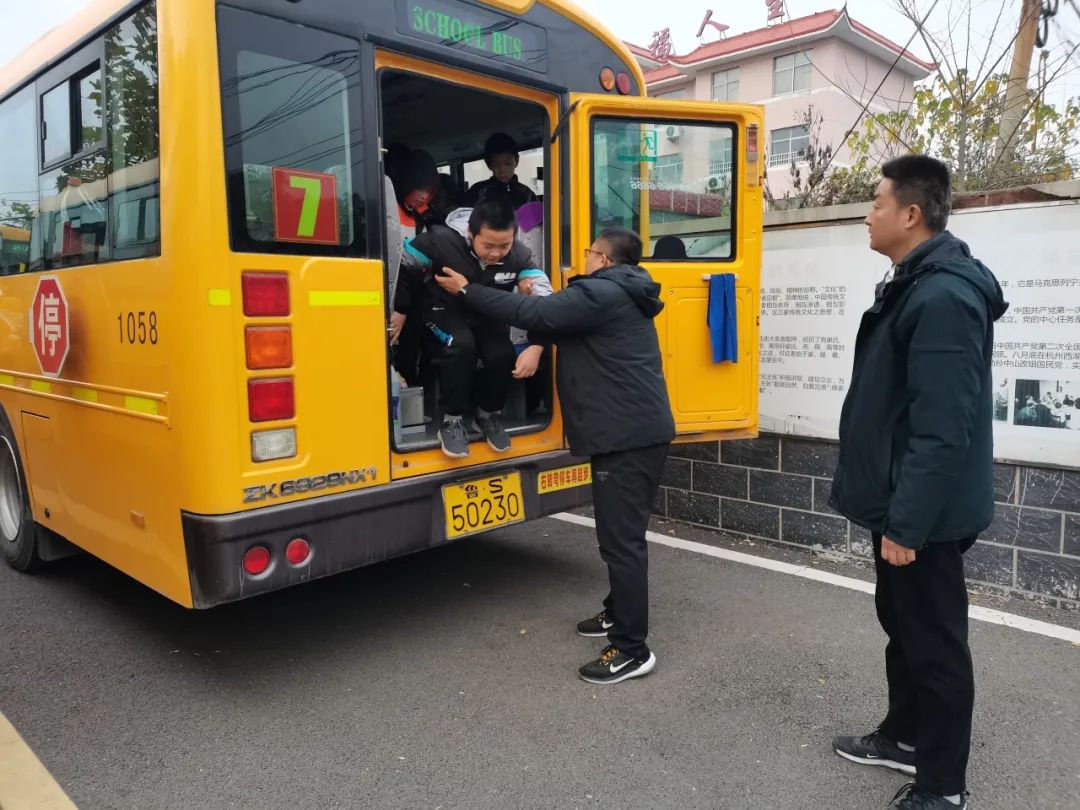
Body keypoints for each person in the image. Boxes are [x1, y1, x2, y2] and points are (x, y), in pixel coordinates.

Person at [828, 155, 1007, 810]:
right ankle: (904, 736)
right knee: (902, 623)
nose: (867, 213)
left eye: (876, 202)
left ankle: (943, 786)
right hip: (901, 500)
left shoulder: (942, 296)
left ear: (910, 214)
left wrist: (907, 525)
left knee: (934, 644)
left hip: (922, 513)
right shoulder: (913, 282)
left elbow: (942, 429)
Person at [435, 227, 674, 685]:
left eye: (588, 252)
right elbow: (552, 322)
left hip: (626, 438)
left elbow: (533, 311)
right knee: (621, 536)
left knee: (621, 542)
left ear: (602, 259)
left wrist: (467, 289)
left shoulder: (602, 291)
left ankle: (631, 648)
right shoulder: (623, 292)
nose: (583, 258)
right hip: (634, 433)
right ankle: (615, 613)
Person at [402, 198, 542, 458]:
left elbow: (537, 282)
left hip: (486, 315)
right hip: (442, 311)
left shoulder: (519, 254)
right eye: (488, 245)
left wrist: (528, 288)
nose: (496, 253)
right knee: (462, 346)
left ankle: (487, 414)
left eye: (504, 246)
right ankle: (452, 419)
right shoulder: (440, 241)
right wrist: (400, 309)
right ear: (470, 233)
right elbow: (405, 267)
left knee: (502, 355)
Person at [463, 133, 538, 210]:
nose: (502, 170)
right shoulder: (478, 192)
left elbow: (539, 219)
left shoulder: (527, 194)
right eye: (496, 165)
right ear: (488, 165)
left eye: (508, 163)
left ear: (517, 161)